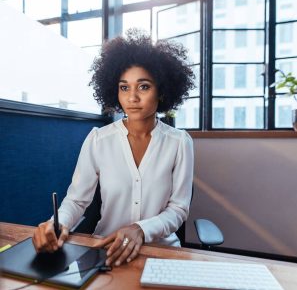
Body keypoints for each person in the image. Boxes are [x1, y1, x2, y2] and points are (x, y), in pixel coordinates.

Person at [32, 29, 195, 267]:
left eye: (144, 87)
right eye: (124, 87)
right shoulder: (98, 139)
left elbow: (179, 209)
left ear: (161, 91)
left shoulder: (180, 142)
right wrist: (57, 224)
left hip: (160, 253)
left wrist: (140, 229)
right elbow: (76, 201)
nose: (132, 98)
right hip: (106, 250)